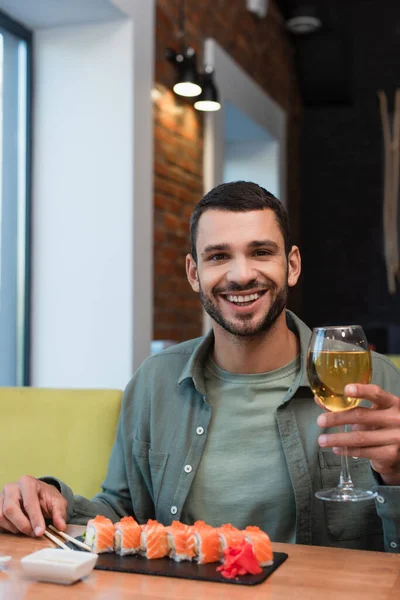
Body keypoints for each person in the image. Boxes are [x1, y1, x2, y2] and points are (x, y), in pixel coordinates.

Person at [1, 181, 400, 552]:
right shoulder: (154, 381)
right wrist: (51, 498)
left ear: (292, 265)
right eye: (219, 256)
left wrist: (398, 476)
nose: (242, 274)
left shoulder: (371, 380)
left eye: (261, 252)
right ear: (194, 273)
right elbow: (122, 514)